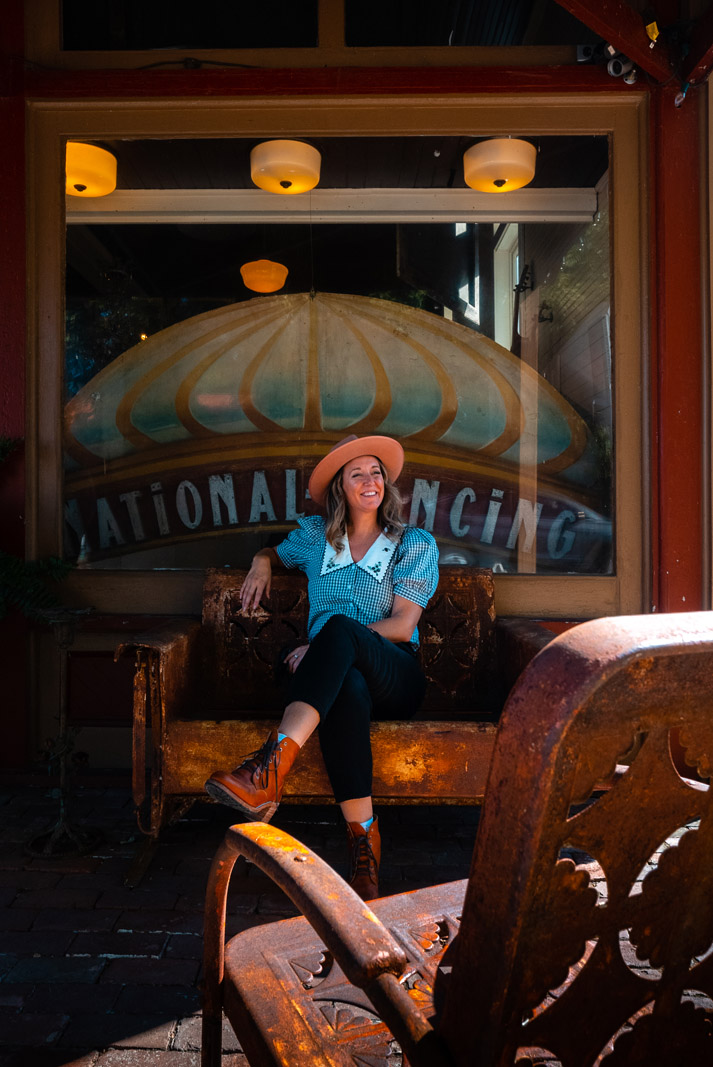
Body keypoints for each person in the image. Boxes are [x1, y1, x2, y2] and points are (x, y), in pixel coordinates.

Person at [204, 434, 439, 900]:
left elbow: (401, 623)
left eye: (377, 472)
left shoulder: (412, 542)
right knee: (345, 687)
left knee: (338, 631)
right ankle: (363, 845)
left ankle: (267, 771)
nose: (371, 481)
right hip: (332, 683)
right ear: (340, 487)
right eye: (358, 474)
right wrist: (261, 560)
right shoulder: (315, 538)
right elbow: (276, 551)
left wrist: (331, 641)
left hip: (395, 675)